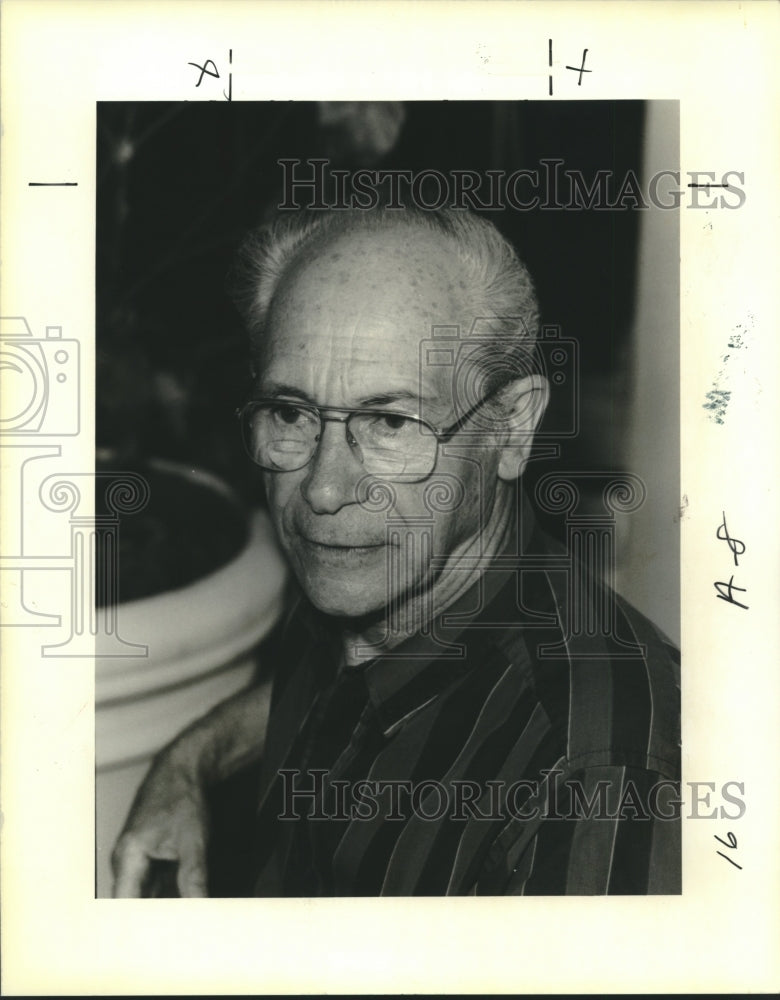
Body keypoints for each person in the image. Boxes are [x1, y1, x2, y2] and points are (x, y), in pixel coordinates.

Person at [112, 206, 680, 897]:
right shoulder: (380, 577)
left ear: (513, 427)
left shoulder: (594, 783)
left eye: (389, 422)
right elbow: (332, 684)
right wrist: (191, 761)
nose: (322, 490)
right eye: (291, 412)